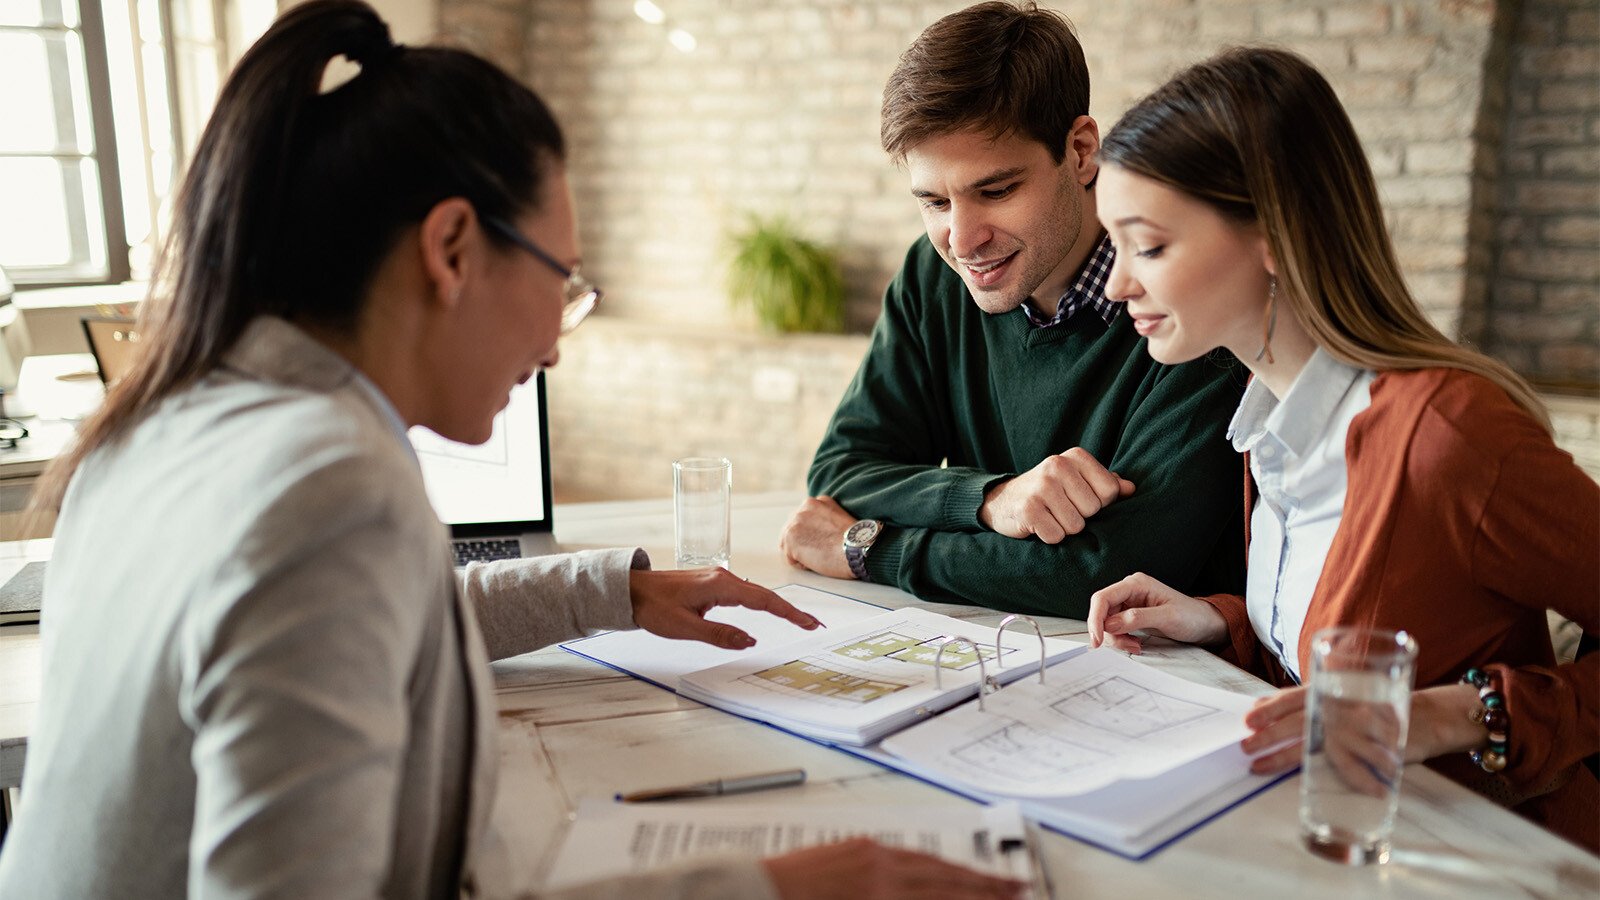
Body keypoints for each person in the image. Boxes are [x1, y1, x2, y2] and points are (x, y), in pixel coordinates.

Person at [0, 4, 1024, 898]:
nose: (556, 339)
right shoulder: (325, 486)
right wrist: (763, 890)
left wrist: (613, 592)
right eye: (563, 278)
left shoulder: (181, 410)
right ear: (451, 249)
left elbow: (364, 620)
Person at [1085, 46, 1598, 851]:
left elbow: (1403, 682)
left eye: (1146, 246)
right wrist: (1225, 625)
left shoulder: (1446, 432)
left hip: (1486, 864)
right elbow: (1356, 644)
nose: (1116, 284)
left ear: (1273, 238)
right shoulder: (1270, 425)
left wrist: (1460, 713)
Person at [778, 1, 1247, 618]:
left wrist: (873, 550)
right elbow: (843, 472)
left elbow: (1105, 573)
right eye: (934, 202)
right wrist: (989, 498)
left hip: (1176, 683)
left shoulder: (1184, 303)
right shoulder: (933, 275)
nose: (963, 240)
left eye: (995, 191)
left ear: (1081, 151)